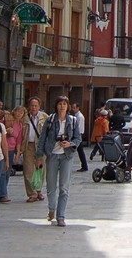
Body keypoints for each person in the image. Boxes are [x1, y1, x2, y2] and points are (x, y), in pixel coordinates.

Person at [36, 96, 81, 227]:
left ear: (68, 107)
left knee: (64, 188)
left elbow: (78, 139)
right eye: (60, 104)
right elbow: (42, 138)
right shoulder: (50, 120)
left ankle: (61, 216)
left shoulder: (72, 121)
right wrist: (39, 156)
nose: (62, 106)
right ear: (56, 106)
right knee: (51, 187)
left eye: (65, 104)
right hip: (52, 155)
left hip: (66, 156)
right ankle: (51, 208)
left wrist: (70, 143)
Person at [0, 105, 26, 203]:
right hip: (1, 148)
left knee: (7, 171)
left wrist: (18, 153)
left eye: (21, 113)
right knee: (2, 170)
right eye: (17, 111)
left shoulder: (20, 125)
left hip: (11, 149)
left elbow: (18, 140)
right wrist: (6, 131)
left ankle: (2, 191)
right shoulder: (7, 120)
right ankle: (2, 194)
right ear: (14, 112)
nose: (19, 114)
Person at [23, 96, 47, 202]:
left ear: (39, 106)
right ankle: (31, 194)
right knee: (28, 170)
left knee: (40, 170)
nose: (33, 108)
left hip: (40, 146)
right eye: (31, 105)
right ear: (28, 106)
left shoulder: (45, 117)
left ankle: (38, 191)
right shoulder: (24, 117)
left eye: (35, 105)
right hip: (28, 145)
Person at [72, 103, 88, 171]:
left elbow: (79, 127)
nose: (73, 109)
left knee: (80, 151)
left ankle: (84, 166)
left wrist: (77, 136)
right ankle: (84, 166)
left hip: (78, 135)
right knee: (79, 151)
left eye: (74, 108)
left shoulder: (79, 116)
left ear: (78, 108)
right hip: (77, 135)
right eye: (72, 108)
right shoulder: (76, 116)